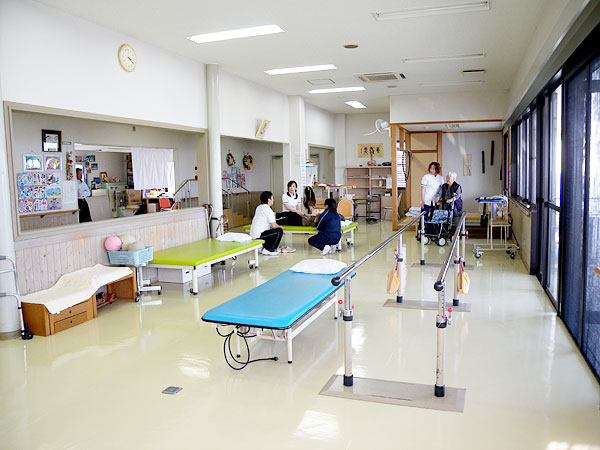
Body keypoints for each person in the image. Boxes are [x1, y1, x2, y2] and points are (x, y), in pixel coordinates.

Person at [249, 191, 284, 256]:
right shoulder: (267, 209)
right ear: (269, 199)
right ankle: (269, 250)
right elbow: (274, 226)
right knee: (279, 231)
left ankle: (265, 248)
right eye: (272, 198)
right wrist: (281, 227)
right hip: (258, 237)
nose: (273, 200)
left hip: (254, 236)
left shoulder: (259, 207)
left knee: (272, 232)